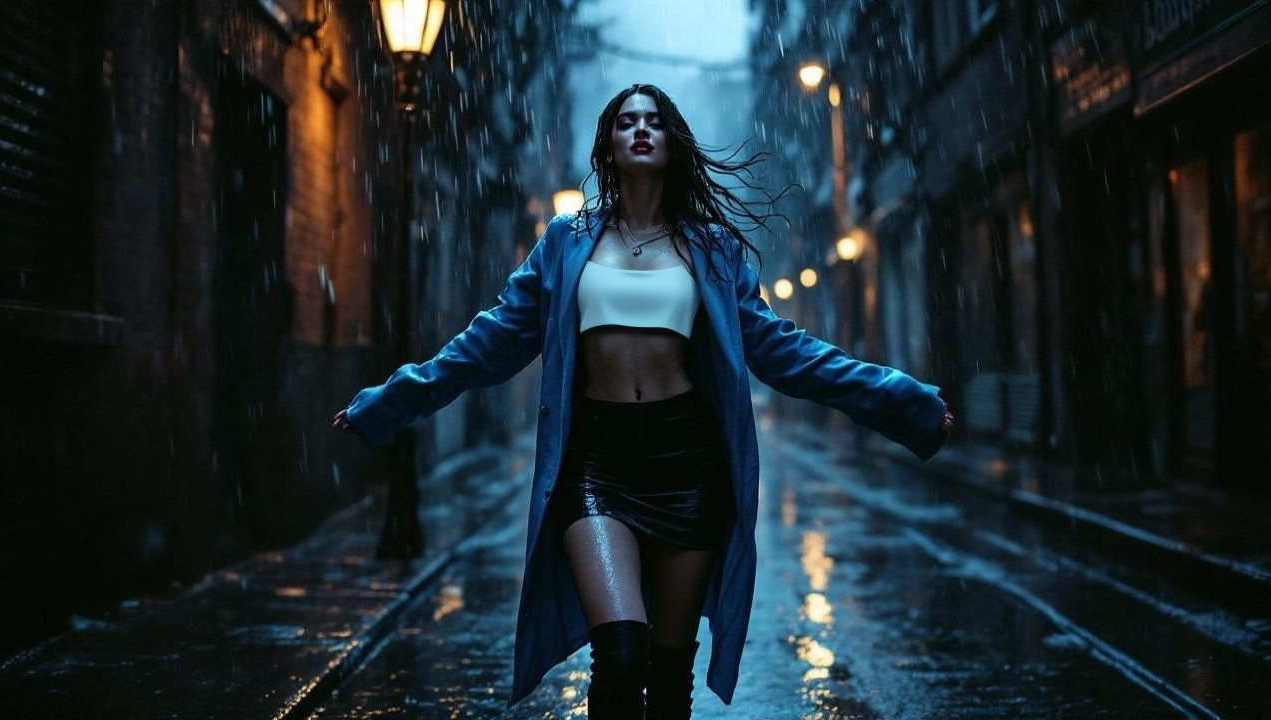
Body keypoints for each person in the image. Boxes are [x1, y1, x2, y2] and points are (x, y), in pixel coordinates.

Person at [333, 83, 953, 719]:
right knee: (621, 652)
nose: (640, 129)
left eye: (653, 121)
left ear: (671, 142)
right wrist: (392, 400)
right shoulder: (566, 242)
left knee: (670, 672)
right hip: (595, 463)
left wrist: (899, 398)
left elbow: (783, 351)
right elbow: (487, 342)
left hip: (687, 464)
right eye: (626, 121)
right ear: (608, 144)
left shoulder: (710, 248)